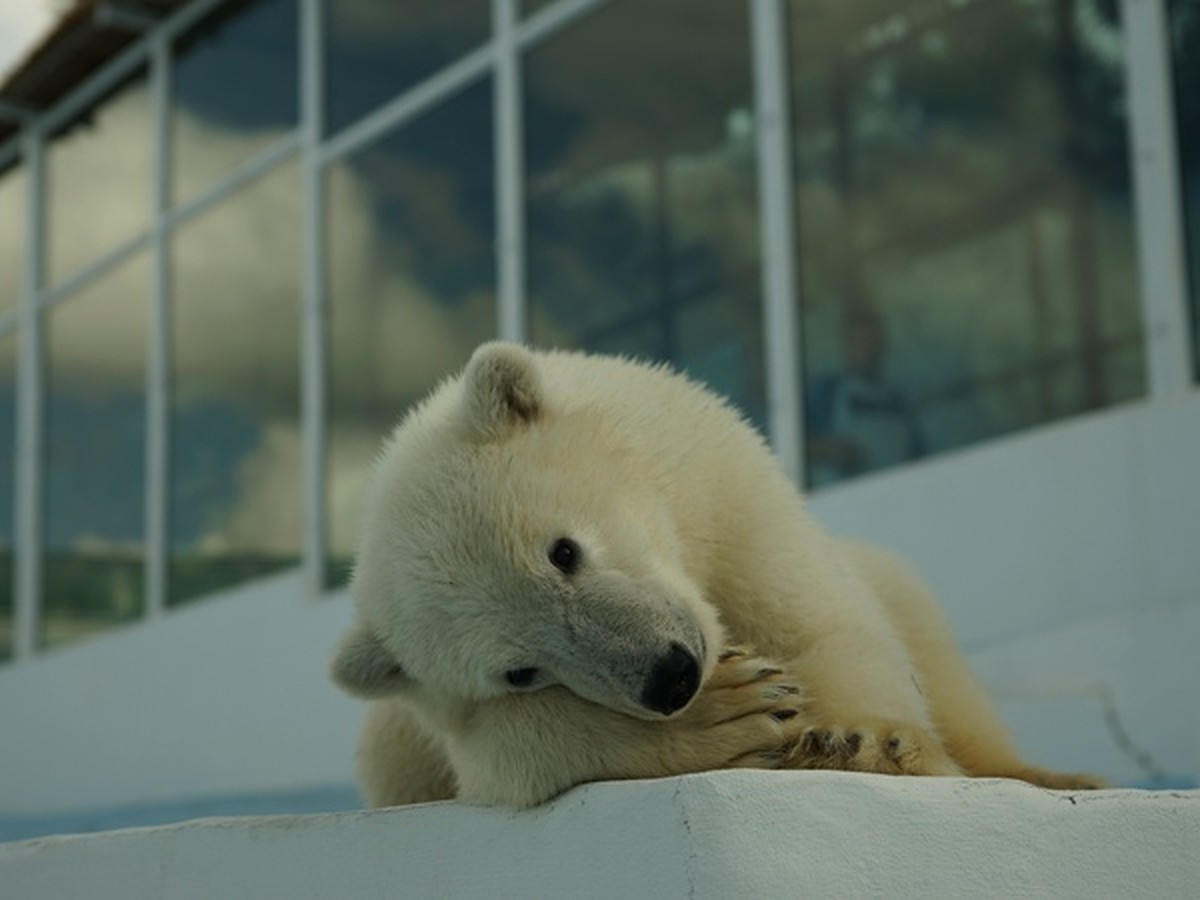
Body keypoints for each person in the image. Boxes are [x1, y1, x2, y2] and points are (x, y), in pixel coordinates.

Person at [807, 305, 923, 487]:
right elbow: (796, 444)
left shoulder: (897, 399)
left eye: (872, 343)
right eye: (860, 342)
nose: (866, 350)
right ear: (847, 344)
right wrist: (833, 451)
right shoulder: (827, 392)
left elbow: (917, 455)